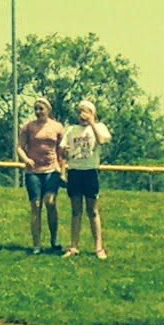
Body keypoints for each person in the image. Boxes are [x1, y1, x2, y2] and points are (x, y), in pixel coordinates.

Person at [60, 100, 112, 260]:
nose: (82, 115)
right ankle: (73, 246)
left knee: (92, 210)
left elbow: (102, 141)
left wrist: (92, 123)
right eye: (80, 112)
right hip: (75, 172)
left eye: (86, 111)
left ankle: (98, 248)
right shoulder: (71, 130)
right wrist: (64, 152)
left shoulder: (99, 127)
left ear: (93, 113)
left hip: (90, 171)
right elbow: (62, 152)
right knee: (76, 211)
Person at [17, 97, 65, 255]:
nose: (38, 112)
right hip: (33, 172)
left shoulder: (57, 127)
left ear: (48, 110)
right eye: (36, 109)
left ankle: (54, 240)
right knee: (36, 206)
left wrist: (62, 171)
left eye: (41, 109)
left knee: (50, 203)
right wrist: (26, 159)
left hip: (51, 170)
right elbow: (20, 147)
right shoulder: (28, 127)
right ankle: (36, 245)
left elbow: (61, 151)